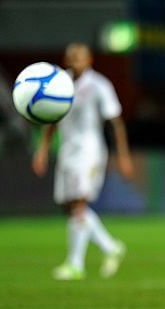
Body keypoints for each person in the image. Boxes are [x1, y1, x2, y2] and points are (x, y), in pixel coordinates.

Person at [32, 42, 134, 280]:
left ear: (89, 61)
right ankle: (111, 247)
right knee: (69, 207)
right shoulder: (59, 84)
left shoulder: (99, 85)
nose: (74, 61)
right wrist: (43, 150)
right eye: (71, 57)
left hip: (90, 151)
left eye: (80, 57)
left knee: (78, 204)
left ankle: (75, 264)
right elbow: (51, 118)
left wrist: (123, 155)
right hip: (67, 150)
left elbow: (115, 122)